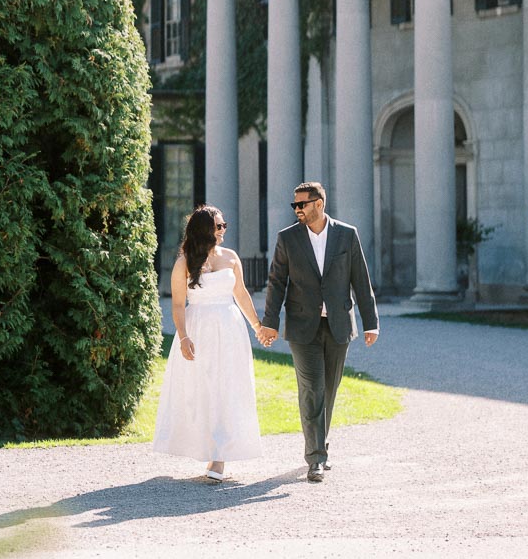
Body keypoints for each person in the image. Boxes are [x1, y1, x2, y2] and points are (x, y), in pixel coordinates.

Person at [260, 180, 378, 483]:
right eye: (295, 205)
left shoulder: (346, 235)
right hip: (302, 326)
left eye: (302, 204)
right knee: (312, 388)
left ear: (319, 204)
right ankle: (316, 458)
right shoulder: (287, 239)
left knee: (329, 388)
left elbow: (360, 280)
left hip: (338, 324)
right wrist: (270, 322)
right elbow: (276, 282)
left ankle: (319, 443)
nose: (297, 209)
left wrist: (371, 322)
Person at [153, 205, 266, 481]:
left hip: (229, 329)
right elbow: (178, 305)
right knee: (201, 390)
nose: (223, 229)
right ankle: (205, 446)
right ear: (205, 230)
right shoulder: (184, 262)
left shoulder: (231, 258)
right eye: (219, 226)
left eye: (224, 224)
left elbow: (241, 294)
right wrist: (183, 337)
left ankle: (220, 456)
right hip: (198, 329)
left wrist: (257, 327)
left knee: (228, 387)